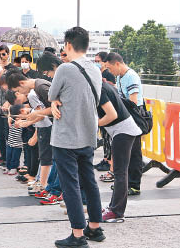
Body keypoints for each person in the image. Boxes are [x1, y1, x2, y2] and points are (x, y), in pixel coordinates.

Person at [49, 27, 105, 246]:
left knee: (70, 186)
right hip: (88, 134)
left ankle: (78, 235)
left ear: (69, 45)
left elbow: (52, 94)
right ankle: (95, 228)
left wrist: (55, 101)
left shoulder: (65, 69)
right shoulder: (96, 70)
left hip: (66, 137)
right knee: (89, 182)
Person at [97, 80, 142, 223]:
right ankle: (113, 208)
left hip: (122, 131)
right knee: (120, 172)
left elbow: (112, 115)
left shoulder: (100, 90)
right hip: (122, 130)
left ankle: (117, 212)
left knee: (120, 172)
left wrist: (93, 124)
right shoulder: (102, 86)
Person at [6, 68, 54, 195]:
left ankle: (45, 186)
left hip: (49, 128)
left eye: (17, 91)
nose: (19, 94)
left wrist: (30, 122)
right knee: (47, 158)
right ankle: (44, 184)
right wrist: (29, 120)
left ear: (21, 83)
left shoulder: (36, 90)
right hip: (48, 127)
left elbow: (49, 111)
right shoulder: (37, 88)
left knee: (47, 159)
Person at [105, 52, 144, 196]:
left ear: (117, 63)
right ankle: (125, 183)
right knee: (125, 152)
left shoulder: (131, 76)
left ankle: (134, 185)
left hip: (134, 115)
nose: (110, 71)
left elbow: (133, 101)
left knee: (134, 152)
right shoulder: (119, 77)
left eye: (110, 68)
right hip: (126, 115)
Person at [2, 106, 24, 175]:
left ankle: (14, 168)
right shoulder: (11, 120)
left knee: (15, 156)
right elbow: (9, 111)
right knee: (8, 155)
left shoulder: (23, 122)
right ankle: (8, 167)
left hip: (18, 144)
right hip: (10, 142)